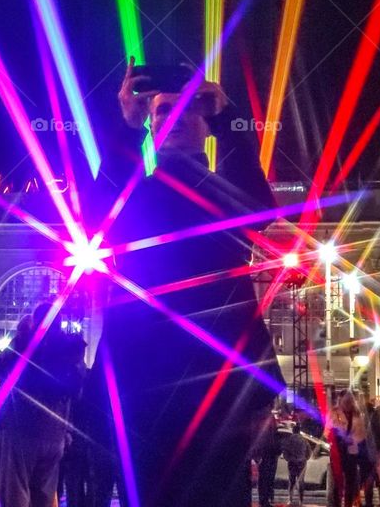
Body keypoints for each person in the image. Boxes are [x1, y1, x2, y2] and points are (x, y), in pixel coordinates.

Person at [97, 60, 285, 507]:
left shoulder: (223, 195)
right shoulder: (136, 194)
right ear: (150, 125)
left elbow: (261, 211)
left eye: (188, 108)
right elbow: (97, 216)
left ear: (206, 123)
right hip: (146, 379)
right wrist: (125, 128)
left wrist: (229, 120)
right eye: (162, 110)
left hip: (216, 384)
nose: (175, 117)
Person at [0, 303, 85, 507]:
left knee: (16, 491)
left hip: (23, 428)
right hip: (55, 431)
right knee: (44, 493)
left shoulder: (26, 343)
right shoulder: (68, 347)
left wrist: (20, 340)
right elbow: (77, 388)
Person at [331, 389, 369, 507]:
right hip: (337, 451)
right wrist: (341, 436)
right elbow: (330, 429)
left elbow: (362, 433)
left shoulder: (357, 415)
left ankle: (348, 504)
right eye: (345, 401)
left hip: (352, 451)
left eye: (350, 401)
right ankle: (336, 504)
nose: (348, 404)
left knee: (350, 481)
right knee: (337, 481)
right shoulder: (335, 412)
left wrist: (353, 439)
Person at [255, 412, 282, 507]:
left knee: (267, 478)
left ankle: (265, 500)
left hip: (270, 453)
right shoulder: (264, 418)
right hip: (267, 453)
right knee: (265, 478)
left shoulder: (268, 418)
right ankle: (264, 500)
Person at [285, 423, 310, 504]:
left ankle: (290, 499)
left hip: (292, 462)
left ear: (293, 431)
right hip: (301, 462)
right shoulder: (304, 440)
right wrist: (305, 458)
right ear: (299, 431)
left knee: (291, 481)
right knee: (301, 481)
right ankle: (301, 501)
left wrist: (288, 459)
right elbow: (309, 452)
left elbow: (285, 452)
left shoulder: (289, 440)